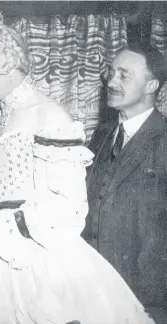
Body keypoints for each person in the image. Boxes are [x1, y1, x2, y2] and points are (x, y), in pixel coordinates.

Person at [0, 21, 155, 324]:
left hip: (32, 259)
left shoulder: (49, 115)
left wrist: (5, 228)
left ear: (7, 66)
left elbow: (70, 210)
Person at [84, 42, 167, 323]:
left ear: (151, 85)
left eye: (123, 75)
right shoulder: (101, 135)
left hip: (146, 299)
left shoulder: (164, 139)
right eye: (110, 73)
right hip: (95, 289)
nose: (111, 81)